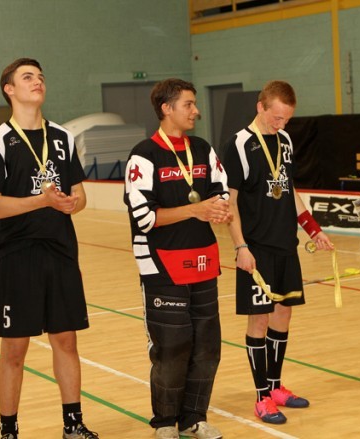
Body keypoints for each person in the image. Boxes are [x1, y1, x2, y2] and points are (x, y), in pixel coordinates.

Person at [0, 58, 98, 439]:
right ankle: (9, 430)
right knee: (14, 348)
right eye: (28, 77)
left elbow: (80, 195)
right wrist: (41, 201)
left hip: (61, 252)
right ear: (9, 89)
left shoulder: (62, 137)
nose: (38, 82)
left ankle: (73, 424)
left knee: (66, 340)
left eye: (41, 77)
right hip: (18, 256)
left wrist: (70, 204)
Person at [124, 78, 230, 439]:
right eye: (188, 104)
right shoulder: (144, 155)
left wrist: (220, 209)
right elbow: (144, 218)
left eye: (195, 103)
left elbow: (221, 192)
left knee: (207, 347)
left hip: (203, 262)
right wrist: (195, 210)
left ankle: (194, 418)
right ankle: (165, 422)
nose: (196, 111)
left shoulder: (202, 149)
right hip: (161, 266)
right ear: (166, 108)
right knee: (172, 348)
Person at [222, 80, 333, 424]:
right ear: (261, 107)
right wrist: (240, 246)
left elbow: (289, 189)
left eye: (286, 119)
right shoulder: (239, 144)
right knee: (259, 320)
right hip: (255, 249)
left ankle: (275, 386)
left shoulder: (285, 140)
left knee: (283, 315)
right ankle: (261, 397)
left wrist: (313, 228)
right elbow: (230, 203)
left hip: (286, 245)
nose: (281, 124)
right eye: (277, 117)